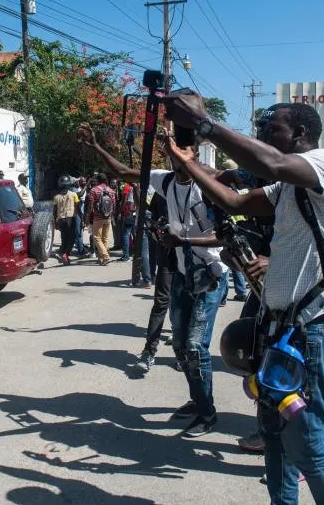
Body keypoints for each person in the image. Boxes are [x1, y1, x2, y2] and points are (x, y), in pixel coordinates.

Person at [159, 95, 324, 503]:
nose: (264, 133)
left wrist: (206, 125)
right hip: (279, 330)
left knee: (306, 442)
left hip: (313, 329)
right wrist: (187, 163)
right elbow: (233, 201)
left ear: (300, 133)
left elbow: (274, 163)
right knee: (275, 439)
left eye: (272, 127)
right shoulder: (286, 186)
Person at [79, 123, 227, 438]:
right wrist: (95, 146)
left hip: (210, 277)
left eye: (183, 149)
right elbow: (123, 172)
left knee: (194, 346)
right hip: (184, 275)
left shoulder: (211, 183)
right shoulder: (166, 179)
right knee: (180, 346)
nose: (176, 154)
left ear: (195, 153)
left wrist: (184, 240)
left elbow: (227, 236)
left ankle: (207, 413)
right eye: (173, 149)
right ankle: (198, 398)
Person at [133, 187, 177, 373]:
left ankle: (182, 352)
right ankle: (149, 352)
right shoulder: (163, 190)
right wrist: (137, 189)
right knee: (161, 302)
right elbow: (147, 210)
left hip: (192, 256)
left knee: (185, 306)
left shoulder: (197, 189)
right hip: (167, 255)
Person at [85, 173, 117, 266]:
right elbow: (114, 205)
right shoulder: (111, 191)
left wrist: (88, 217)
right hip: (108, 217)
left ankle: (105, 256)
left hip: (98, 217)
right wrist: (111, 215)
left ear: (98, 180)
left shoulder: (94, 190)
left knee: (96, 238)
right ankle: (101, 258)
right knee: (104, 238)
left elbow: (90, 206)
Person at [52, 176, 79, 265]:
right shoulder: (74, 195)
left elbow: (54, 211)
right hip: (71, 219)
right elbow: (77, 208)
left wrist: (55, 222)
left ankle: (63, 254)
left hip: (61, 220)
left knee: (64, 238)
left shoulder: (56, 197)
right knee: (72, 238)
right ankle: (65, 255)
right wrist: (81, 219)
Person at [119, 181, 138, 262]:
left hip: (129, 213)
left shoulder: (127, 187)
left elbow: (125, 201)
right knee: (135, 234)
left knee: (126, 234)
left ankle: (126, 255)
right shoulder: (139, 185)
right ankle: (136, 254)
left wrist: (121, 212)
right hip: (137, 212)